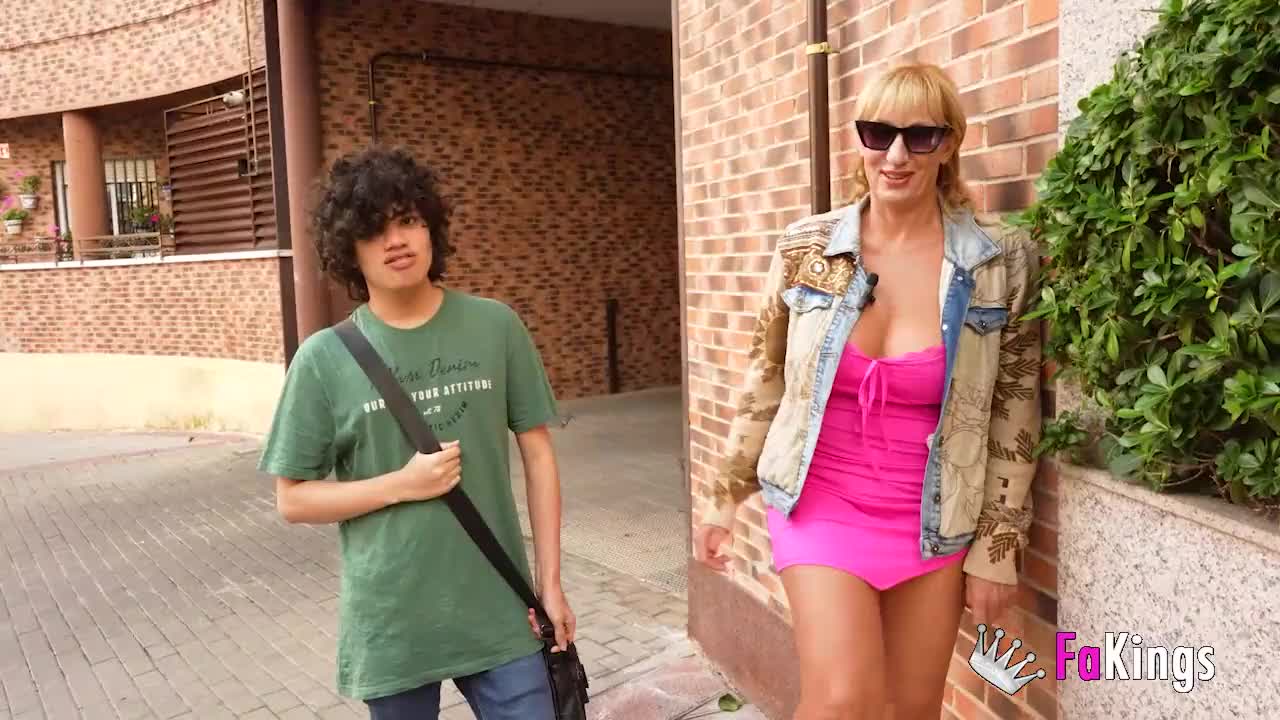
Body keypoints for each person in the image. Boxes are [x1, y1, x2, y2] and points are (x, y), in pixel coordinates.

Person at [691, 63, 1043, 720]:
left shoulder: (999, 259)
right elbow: (765, 375)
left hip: (934, 515)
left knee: (912, 709)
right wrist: (722, 497)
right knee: (840, 701)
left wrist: (998, 549)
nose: (896, 155)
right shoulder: (808, 248)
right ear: (860, 139)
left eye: (920, 136)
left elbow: (1015, 410)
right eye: (878, 134)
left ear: (949, 144)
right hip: (820, 500)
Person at [257, 146, 575, 720]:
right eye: (373, 231)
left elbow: (539, 457)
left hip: (501, 608)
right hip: (393, 622)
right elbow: (293, 499)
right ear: (349, 249)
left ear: (431, 228)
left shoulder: (495, 326)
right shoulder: (323, 359)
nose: (395, 241)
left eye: (407, 220)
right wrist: (400, 485)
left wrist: (549, 582)